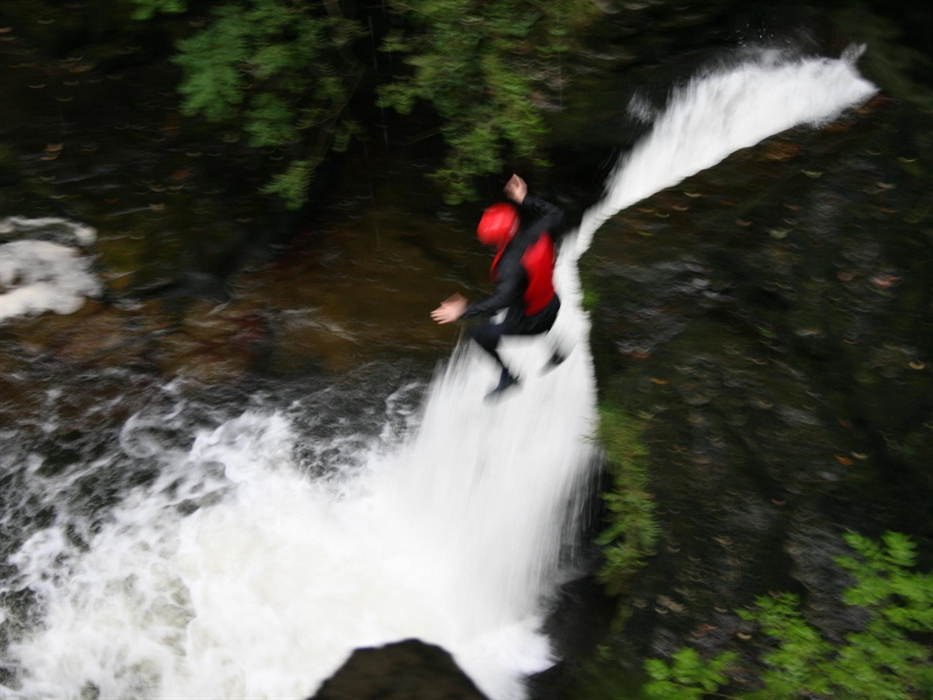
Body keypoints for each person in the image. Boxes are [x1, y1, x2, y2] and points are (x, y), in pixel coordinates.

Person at [431, 174, 566, 400]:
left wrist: (463, 311)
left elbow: (500, 301)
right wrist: (525, 199)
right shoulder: (539, 229)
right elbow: (556, 213)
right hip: (552, 304)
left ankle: (508, 376)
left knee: (477, 333)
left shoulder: (510, 267)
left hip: (533, 323)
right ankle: (556, 350)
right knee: (519, 303)